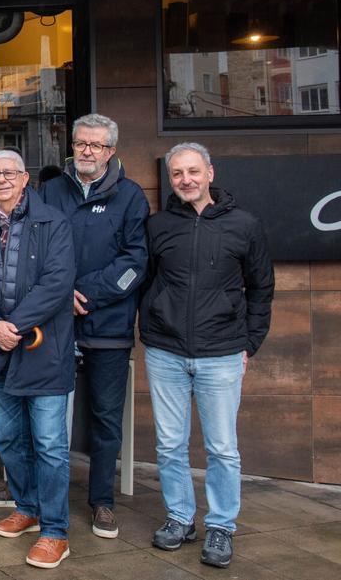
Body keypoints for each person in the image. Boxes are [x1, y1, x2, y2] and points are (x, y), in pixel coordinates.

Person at [140, 143, 273, 569]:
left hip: (221, 352)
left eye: (193, 171)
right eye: (177, 173)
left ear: (210, 173)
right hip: (165, 351)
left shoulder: (244, 225)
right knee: (170, 444)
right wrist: (151, 324)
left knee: (222, 448)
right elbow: (144, 282)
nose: (185, 180)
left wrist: (249, 341)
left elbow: (261, 287)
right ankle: (180, 517)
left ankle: (221, 526)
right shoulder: (157, 226)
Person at [0, 150, 76, 570]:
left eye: (10, 172)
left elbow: (58, 283)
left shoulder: (53, 221)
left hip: (42, 349)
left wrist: (14, 326)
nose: (2, 179)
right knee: (9, 438)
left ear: (25, 178)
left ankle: (56, 531)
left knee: (49, 445)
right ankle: (26, 508)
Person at [39, 114, 149, 540]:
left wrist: (86, 293)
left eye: (96, 145)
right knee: (49, 419)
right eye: (81, 143)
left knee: (105, 420)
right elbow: (37, 248)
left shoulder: (131, 197)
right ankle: (44, 499)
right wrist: (60, 293)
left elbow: (134, 263)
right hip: (55, 324)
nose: (87, 151)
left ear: (110, 151)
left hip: (109, 326)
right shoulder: (50, 190)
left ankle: (102, 501)